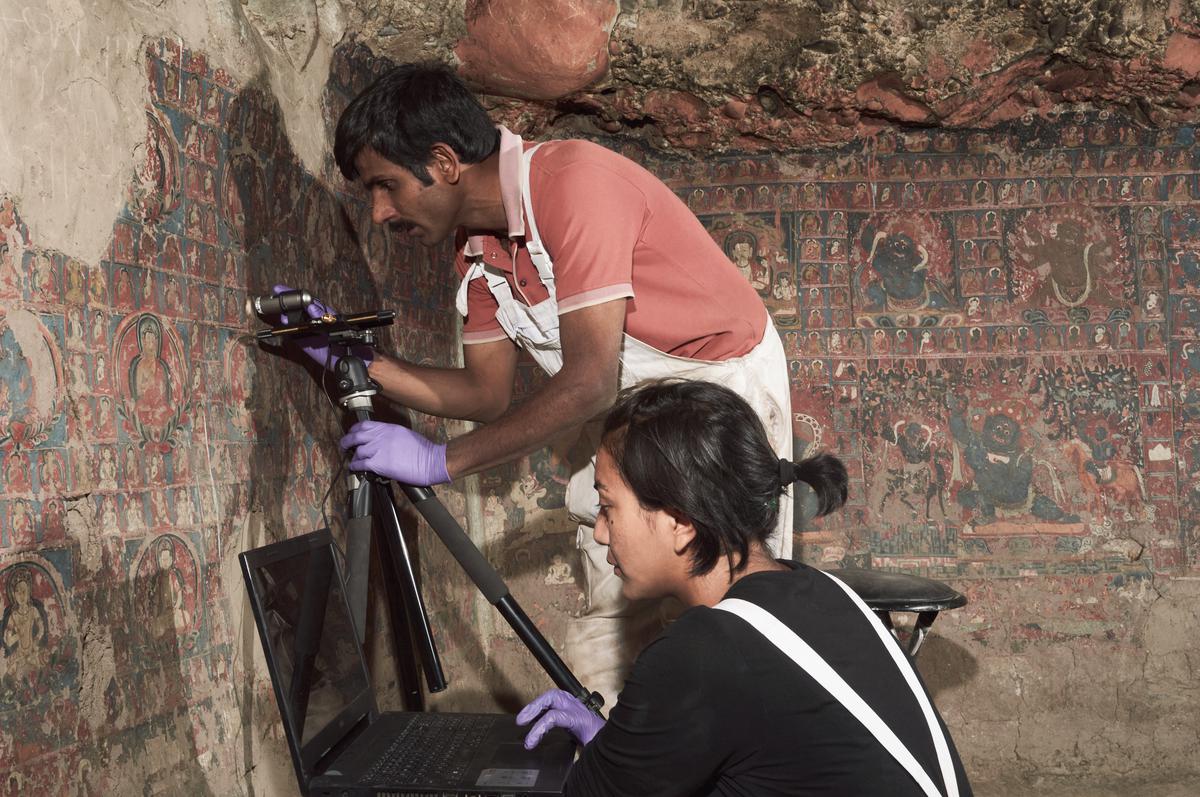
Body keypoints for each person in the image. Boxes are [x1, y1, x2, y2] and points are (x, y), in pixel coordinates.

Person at [284, 61, 792, 708]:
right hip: (628, 408)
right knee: (613, 615)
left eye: (385, 186)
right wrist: (355, 363)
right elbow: (483, 393)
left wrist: (440, 461)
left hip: (720, 389)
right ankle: (613, 756)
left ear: (443, 162)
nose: (380, 212)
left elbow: (587, 383)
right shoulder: (477, 253)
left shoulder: (576, 185)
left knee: (725, 612)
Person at [517, 379, 973, 797]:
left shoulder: (702, 650)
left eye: (608, 506)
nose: (600, 532)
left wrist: (600, 758)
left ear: (678, 522)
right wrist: (617, 747)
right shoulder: (822, 589)